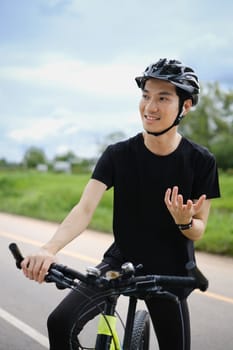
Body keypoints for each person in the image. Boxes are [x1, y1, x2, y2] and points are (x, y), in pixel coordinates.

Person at [21, 58, 220, 350]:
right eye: (145, 96)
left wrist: (185, 221)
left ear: (185, 106)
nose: (150, 107)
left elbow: (199, 229)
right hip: (120, 264)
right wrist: (48, 249)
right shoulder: (118, 154)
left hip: (171, 271)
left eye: (163, 98)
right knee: (60, 323)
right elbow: (84, 209)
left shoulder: (201, 161)